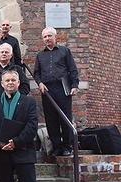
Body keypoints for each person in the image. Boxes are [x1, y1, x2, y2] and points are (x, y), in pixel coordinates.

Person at [33, 27, 79, 157]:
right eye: (45, 37)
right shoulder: (40, 55)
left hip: (62, 88)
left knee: (65, 117)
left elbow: (72, 69)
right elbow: (36, 73)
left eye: (49, 36)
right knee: (51, 119)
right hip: (47, 90)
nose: (47, 39)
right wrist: (40, 83)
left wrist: (74, 85)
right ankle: (56, 146)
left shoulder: (65, 51)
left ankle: (67, 146)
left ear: (55, 37)